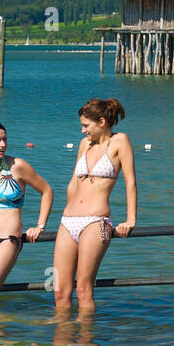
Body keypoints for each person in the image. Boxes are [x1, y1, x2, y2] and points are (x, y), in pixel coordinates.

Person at [54, 98, 137, 312]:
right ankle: (61, 343)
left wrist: (130, 219)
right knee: (60, 292)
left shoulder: (120, 141)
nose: (83, 131)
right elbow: (73, 183)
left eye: (85, 126)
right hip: (68, 221)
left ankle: (85, 344)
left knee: (83, 289)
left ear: (101, 121)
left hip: (96, 222)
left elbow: (130, 182)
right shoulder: (84, 145)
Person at [0, 121, 53, 305]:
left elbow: (46, 191)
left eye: (5, 139)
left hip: (7, 240)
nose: (3, 144)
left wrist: (40, 226)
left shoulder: (17, 166)